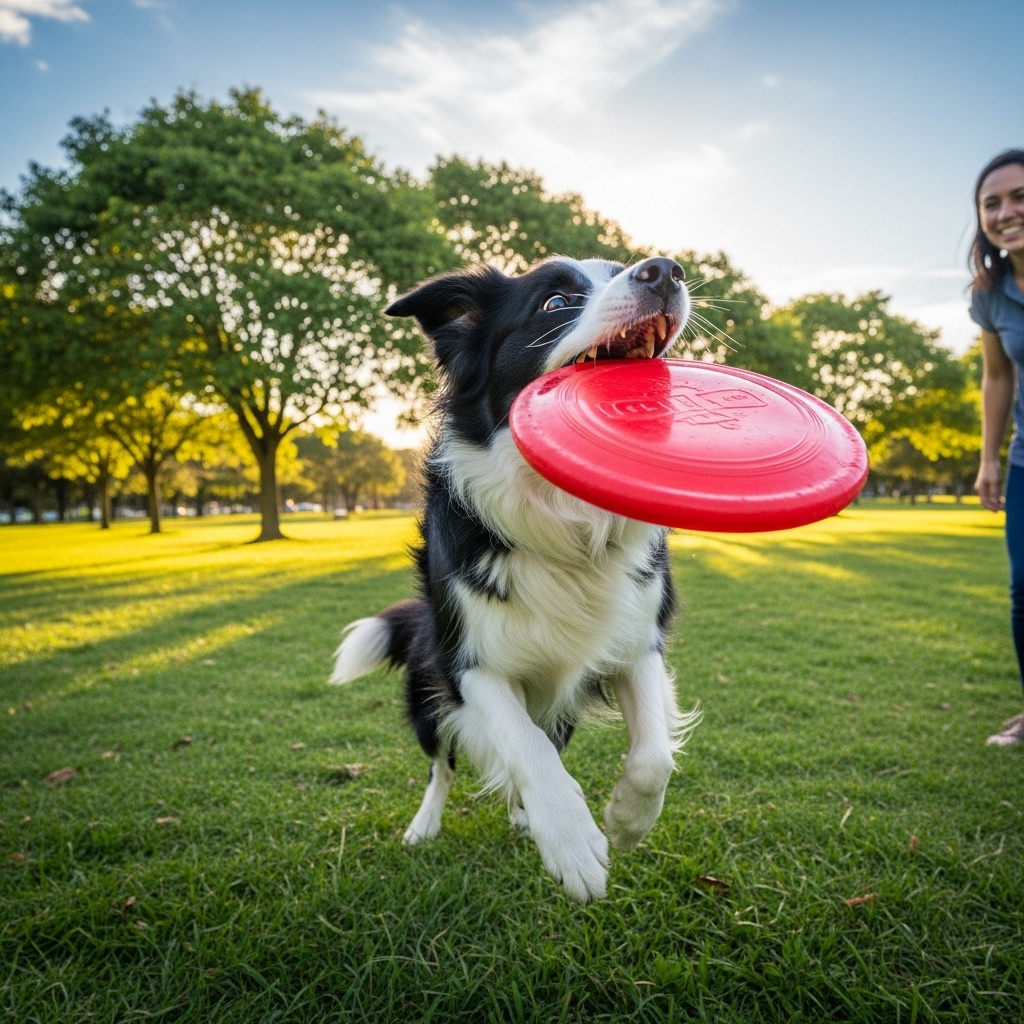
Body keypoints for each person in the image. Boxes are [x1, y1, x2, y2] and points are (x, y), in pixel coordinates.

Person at [970, 148, 1024, 746]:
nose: (1006, 212)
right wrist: (989, 458)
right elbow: (998, 376)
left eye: (1019, 197)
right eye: (992, 203)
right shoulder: (991, 294)